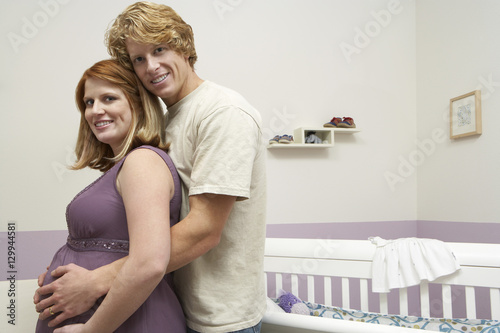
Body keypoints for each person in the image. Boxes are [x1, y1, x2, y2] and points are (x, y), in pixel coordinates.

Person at [35, 2, 267, 332]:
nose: (151, 66)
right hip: (178, 302)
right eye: (138, 59)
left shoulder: (222, 113)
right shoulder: (167, 119)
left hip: (220, 319)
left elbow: (204, 230)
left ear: (185, 46)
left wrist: (96, 280)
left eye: (159, 49)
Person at [35, 58, 186, 332]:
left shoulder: (143, 162)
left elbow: (149, 263)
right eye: (89, 102)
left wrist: (89, 330)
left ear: (137, 103)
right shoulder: (124, 166)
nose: (95, 110)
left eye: (108, 98)